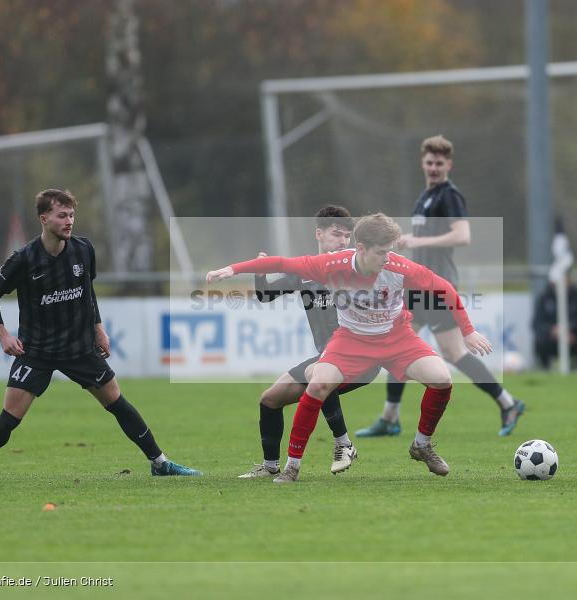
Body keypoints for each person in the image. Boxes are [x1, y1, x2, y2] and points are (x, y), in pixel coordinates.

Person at [207, 213, 493, 483]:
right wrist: (231, 269)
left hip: (397, 338)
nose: (388, 257)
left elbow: (443, 287)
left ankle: (422, 445)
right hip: (351, 340)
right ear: (361, 248)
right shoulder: (331, 265)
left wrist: (468, 331)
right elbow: (281, 263)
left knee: (442, 379)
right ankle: (291, 467)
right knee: (318, 384)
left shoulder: (397, 266)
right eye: (381, 252)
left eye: (390, 250)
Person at [0, 189, 200, 479]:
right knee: (9, 417)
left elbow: (87, 292)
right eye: (62, 215)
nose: (69, 221)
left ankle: (160, 463)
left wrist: (99, 329)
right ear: (44, 219)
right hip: (37, 351)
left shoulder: (83, 249)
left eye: (71, 215)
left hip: (79, 348)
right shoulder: (24, 259)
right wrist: (3, 335)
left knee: (118, 403)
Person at [355, 135, 525, 438]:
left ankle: (508, 403)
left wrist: (418, 241)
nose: (433, 167)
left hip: (436, 286)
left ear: (449, 164)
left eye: (439, 163)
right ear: (423, 162)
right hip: (416, 285)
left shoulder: (449, 195)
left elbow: (462, 236)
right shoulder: (426, 196)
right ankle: (390, 417)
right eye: (429, 162)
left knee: (452, 352)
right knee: (396, 345)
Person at [239, 205, 378, 479]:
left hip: (362, 359)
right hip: (327, 358)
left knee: (321, 374)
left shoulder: (356, 268)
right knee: (270, 399)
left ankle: (343, 443)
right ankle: (269, 467)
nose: (342, 241)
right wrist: (259, 271)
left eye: (347, 236)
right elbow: (265, 295)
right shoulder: (304, 272)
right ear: (319, 234)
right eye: (337, 234)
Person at [532, 271, 577, 370]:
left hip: (574, 337)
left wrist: (570, 329)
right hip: (552, 339)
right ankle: (545, 368)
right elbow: (537, 323)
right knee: (539, 339)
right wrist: (553, 331)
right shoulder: (544, 297)